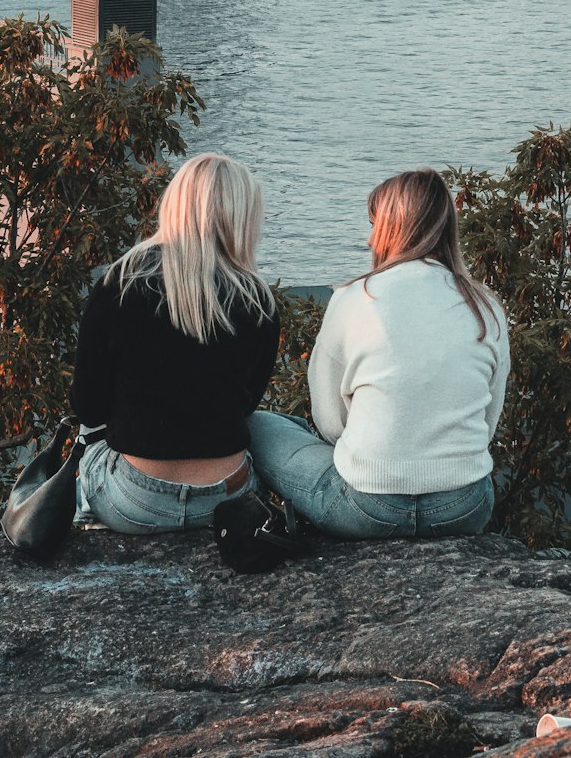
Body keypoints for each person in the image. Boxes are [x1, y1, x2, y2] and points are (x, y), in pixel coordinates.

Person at [248, 169, 509, 540]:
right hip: (464, 507)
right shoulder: (485, 306)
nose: (370, 237)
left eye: (375, 224)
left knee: (259, 424)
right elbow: (487, 420)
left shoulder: (356, 298)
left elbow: (330, 422)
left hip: (367, 509)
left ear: (393, 228)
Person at [71, 152, 280, 533]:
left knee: (88, 444)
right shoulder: (257, 299)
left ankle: (88, 518)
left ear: (174, 204)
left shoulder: (120, 283)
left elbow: (88, 405)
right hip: (224, 499)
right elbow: (248, 402)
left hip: (133, 502)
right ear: (244, 218)